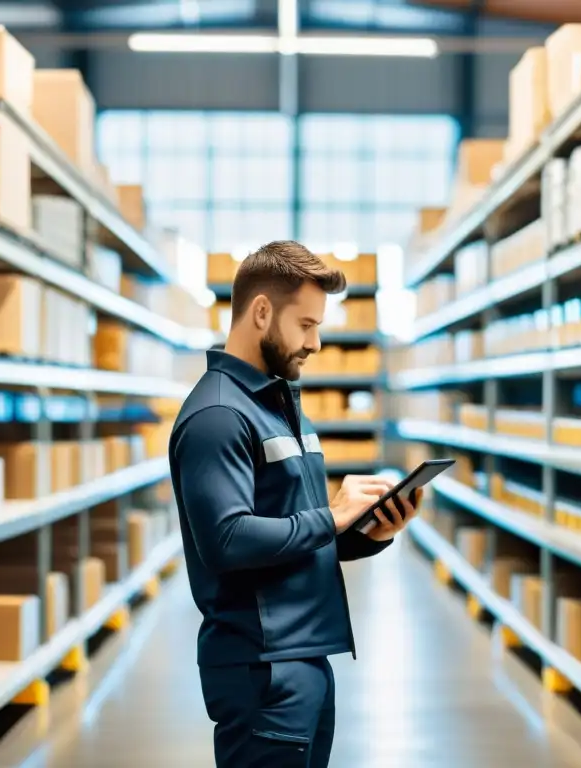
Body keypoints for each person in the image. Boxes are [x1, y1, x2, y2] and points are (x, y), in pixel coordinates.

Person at [168, 241, 419, 767]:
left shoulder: (277, 406)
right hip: (262, 670)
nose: (317, 342)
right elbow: (228, 541)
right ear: (261, 312)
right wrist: (332, 515)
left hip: (303, 657)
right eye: (305, 325)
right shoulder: (217, 415)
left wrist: (367, 532)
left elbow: (292, 533)